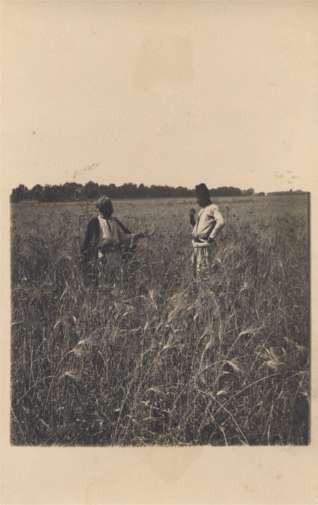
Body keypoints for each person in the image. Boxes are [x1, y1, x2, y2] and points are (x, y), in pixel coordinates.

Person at [81, 196, 147, 283]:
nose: (108, 210)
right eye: (105, 208)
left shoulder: (114, 221)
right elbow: (90, 242)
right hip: (102, 256)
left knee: (117, 279)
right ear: (100, 209)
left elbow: (124, 236)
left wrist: (136, 235)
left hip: (116, 255)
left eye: (108, 207)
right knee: (103, 279)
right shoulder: (94, 222)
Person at [190, 183, 225, 278]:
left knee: (205, 272)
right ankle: (200, 291)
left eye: (198, 197)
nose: (197, 201)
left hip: (205, 246)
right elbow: (197, 229)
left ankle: (206, 291)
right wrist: (191, 218)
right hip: (197, 246)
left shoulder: (213, 208)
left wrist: (211, 237)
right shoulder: (202, 210)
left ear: (204, 196)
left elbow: (221, 222)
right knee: (197, 273)